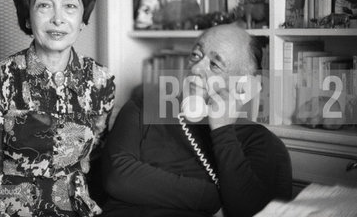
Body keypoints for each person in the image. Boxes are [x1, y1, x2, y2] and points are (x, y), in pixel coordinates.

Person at [0, 0, 115, 217]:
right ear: (28, 14)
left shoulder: (101, 80)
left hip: (77, 208)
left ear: (83, 17)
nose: (58, 18)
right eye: (44, 4)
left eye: (70, 6)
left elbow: (95, 155)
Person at [101, 24, 292, 217]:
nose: (196, 68)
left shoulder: (263, 144)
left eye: (215, 64)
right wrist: (214, 200)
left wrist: (222, 130)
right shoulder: (141, 108)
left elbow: (253, 212)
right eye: (196, 55)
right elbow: (116, 177)